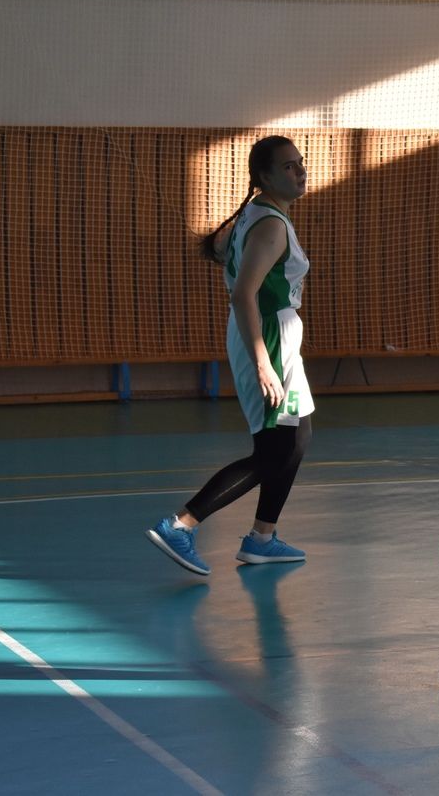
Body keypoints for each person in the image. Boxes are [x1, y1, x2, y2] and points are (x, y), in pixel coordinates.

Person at [146, 135, 314, 576]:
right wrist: (262, 361)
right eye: (288, 167)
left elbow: (225, 254)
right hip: (267, 340)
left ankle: (262, 538)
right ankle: (179, 525)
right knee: (272, 451)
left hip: (278, 335)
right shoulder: (271, 224)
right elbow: (243, 296)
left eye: (300, 163)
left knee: (296, 439)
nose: (299, 171)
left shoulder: (259, 213)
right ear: (264, 177)